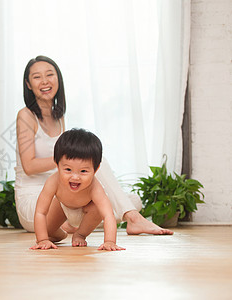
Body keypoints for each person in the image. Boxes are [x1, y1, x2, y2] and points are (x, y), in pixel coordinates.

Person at [15, 55, 173, 235]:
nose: (44, 81)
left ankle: (125, 215)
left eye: (50, 75)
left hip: (63, 193)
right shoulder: (26, 115)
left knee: (131, 199)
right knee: (98, 169)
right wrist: (69, 159)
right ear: (28, 85)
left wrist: (74, 164)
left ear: (58, 79)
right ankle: (132, 218)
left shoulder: (59, 117)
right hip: (35, 200)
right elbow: (29, 166)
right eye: (37, 77)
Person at [31, 128, 125, 251]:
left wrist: (110, 241)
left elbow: (108, 215)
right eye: (68, 170)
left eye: (83, 171)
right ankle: (60, 234)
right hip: (62, 206)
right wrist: (42, 239)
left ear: (95, 170)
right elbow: (40, 212)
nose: (75, 177)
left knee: (98, 209)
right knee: (46, 231)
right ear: (57, 164)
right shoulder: (53, 182)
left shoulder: (94, 187)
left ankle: (80, 234)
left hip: (86, 210)